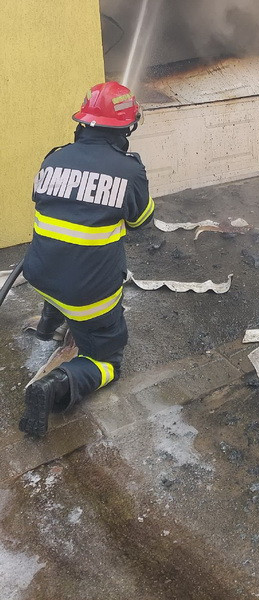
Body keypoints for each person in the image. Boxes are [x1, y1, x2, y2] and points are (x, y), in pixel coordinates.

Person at [20, 81, 154, 438]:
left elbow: (46, 200)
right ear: (125, 129)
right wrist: (135, 175)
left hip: (39, 274)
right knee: (108, 360)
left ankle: (49, 323)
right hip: (86, 294)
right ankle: (57, 385)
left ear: (83, 122)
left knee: (62, 264)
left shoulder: (54, 157)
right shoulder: (129, 170)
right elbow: (141, 220)